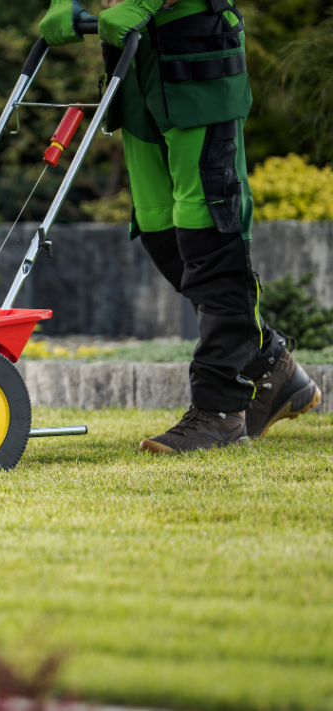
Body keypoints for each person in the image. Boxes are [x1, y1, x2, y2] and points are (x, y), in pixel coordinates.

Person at [38, 0, 322, 453]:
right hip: (134, 54)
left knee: (207, 223)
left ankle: (221, 412)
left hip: (196, 48)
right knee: (160, 230)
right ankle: (269, 362)